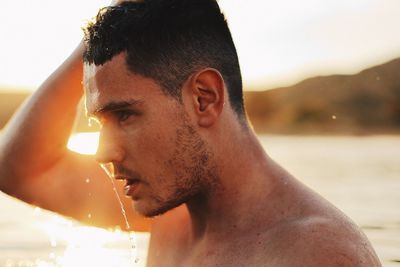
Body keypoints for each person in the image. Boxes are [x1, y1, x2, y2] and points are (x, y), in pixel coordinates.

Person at [0, 0, 381, 266]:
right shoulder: (173, 207)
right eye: (101, 121)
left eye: (125, 115)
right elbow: (16, 169)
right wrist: (111, 27)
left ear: (204, 99)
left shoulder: (315, 255)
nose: (104, 153)